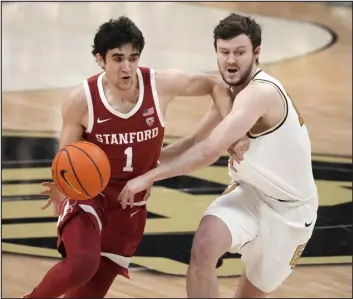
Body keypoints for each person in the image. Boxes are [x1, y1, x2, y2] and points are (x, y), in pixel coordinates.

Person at [23, 16, 246, 299]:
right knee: (82, 264)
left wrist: (231, 132)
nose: (127, 67)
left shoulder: (159, 84)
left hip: (131, 205)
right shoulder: (81, 100)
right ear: (100, 60)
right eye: (117, 58)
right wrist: (60, 183)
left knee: (87, 294)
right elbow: (66, 158)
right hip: (90, 196)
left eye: (133, 57)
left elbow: (216, 86)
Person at [118, 13, 319, 298]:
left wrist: (149, 178)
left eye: (239, 52)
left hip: (291, 212)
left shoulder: (260, 93)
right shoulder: (230, 94)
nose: (231, 60)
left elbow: (208, 150)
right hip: (249, 195)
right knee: (204, 245)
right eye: (224, 52)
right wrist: (133, 169)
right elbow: (192, 142)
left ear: (256, 53)